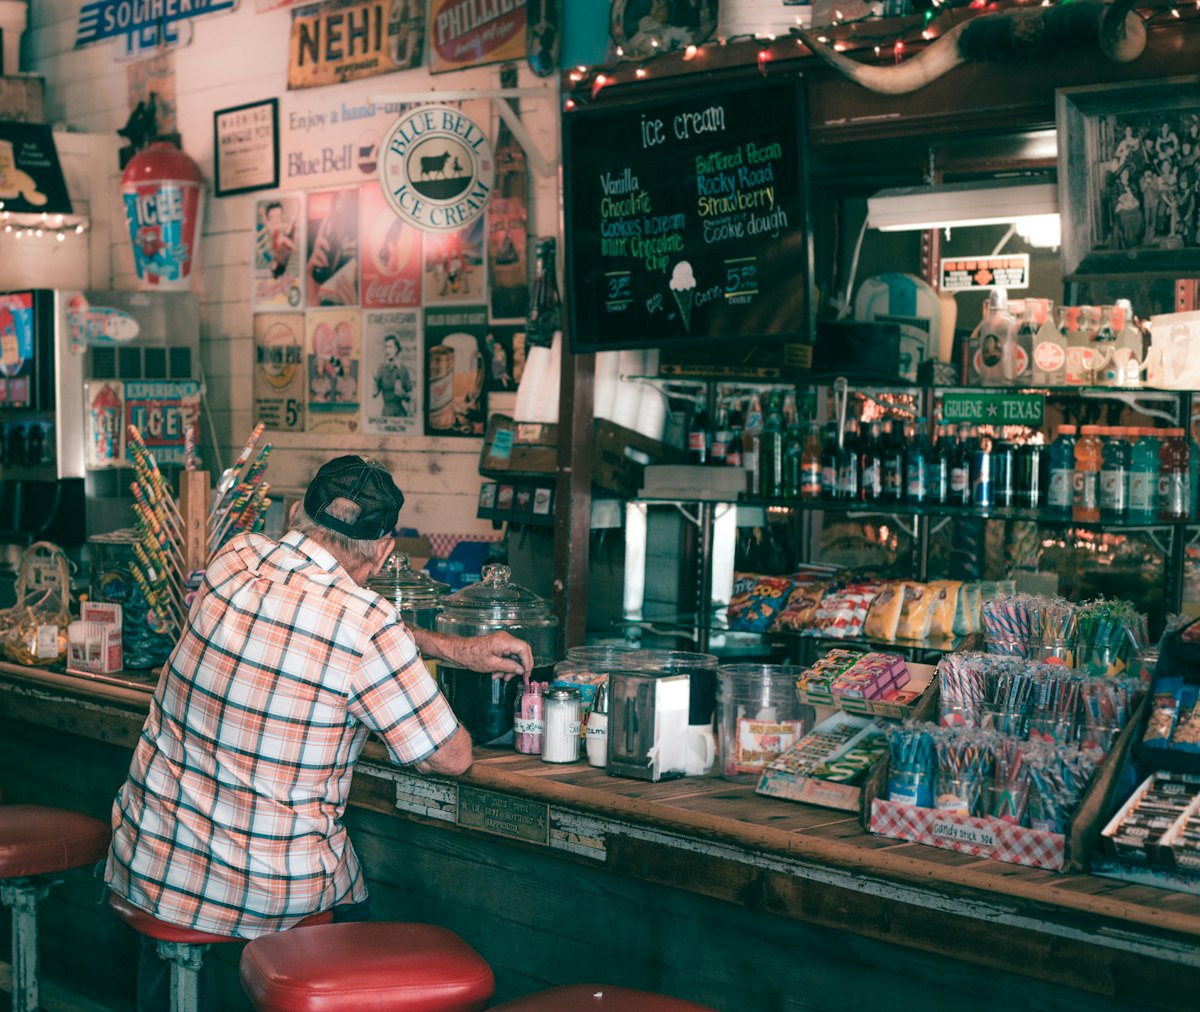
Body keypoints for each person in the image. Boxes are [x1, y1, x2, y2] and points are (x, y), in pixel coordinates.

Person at [105, 456, 532, 1010]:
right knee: (351, 905)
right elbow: (449, 757)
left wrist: (452, 648)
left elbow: (323, 621)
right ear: (384, 551)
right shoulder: (366, 623)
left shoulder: (233, 558)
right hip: (269, 891)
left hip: (150, 861)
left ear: (296, 515)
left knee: (175, 898)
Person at [374, 333, 413, 416]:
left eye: (390, 347)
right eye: (386, 347)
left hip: (400, 413)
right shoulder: (381, 369)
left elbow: (410, 397)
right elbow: (374, 394)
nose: (387, 350)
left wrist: (403, 394)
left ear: (396, 349)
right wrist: (375, 380)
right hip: (387, 412)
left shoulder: (403, 369)